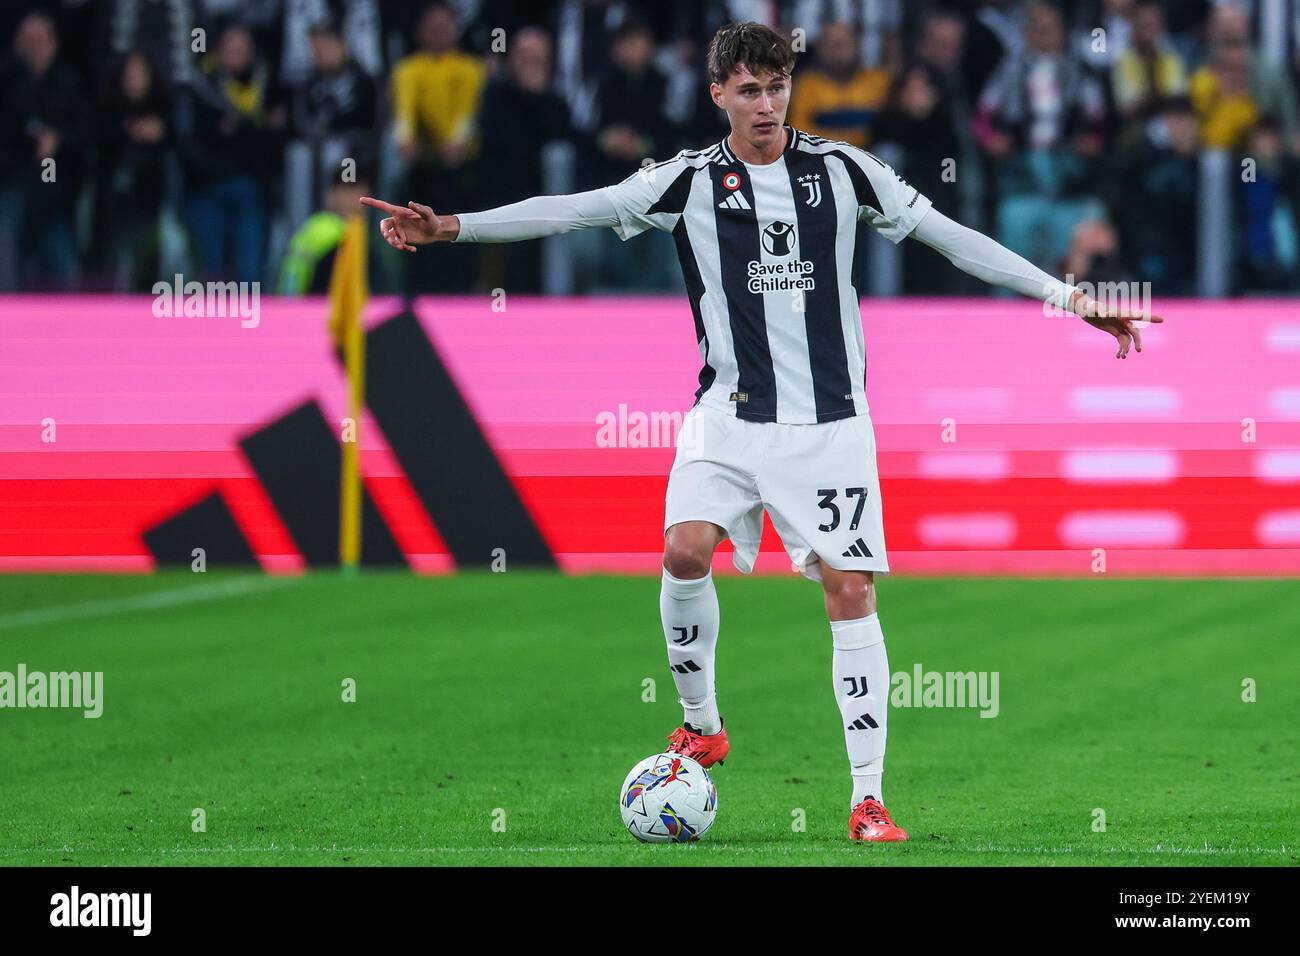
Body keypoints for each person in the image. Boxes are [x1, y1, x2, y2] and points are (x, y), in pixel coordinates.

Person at [361, 21, 1162, 844]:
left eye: (778, 87)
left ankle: (867, 799)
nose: (767, 104)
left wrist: (1070, 298)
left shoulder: (845, 171)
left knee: (850, 592)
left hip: (830, 425)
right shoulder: (686, 181)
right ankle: (703, 725)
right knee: (683, 550)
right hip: (731, 416)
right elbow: (574, 211)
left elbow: (950, 238)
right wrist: (453, 225)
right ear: (719, 96)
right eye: (749, 90)